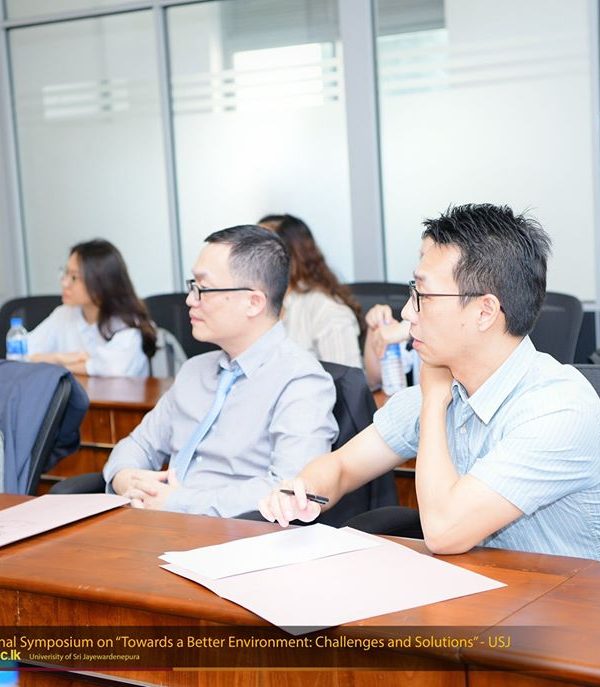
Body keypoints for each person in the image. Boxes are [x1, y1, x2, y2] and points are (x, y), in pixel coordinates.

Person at [260, 203, 600, 560]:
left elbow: (443, 532)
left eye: (423, 296)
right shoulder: (447, 384)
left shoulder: (559, 410)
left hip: (565, 592)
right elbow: (342, 466)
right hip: (481, 582)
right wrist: (304, 489)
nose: (407, 312)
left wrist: (435, 402)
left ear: (485, 311)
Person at [103, 225, 338, 517]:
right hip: (158, 523)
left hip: (237, 536)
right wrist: (126, 478)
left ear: (253, 302)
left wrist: (178, 502)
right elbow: (138, 444)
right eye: (192, 286)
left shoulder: (301, 381)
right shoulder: (193, 371)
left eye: (203, 289)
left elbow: (289, 491)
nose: (190, 300)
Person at [27, 239, 156, 377]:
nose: (64, 283)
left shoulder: (128, 324)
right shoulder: (64, 314)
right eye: (65, 273)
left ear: (102, 282)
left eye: (74, 277)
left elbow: (112, 369)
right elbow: (20, 354)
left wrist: (52, 364)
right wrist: (59, 358)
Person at [259, 214, 362, 368]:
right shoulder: (258, 305)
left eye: (259, 251)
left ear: (290, 257)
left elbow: (346, 380)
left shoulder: (327, 310)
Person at [363, 304, 420, 389]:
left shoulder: (409, 327)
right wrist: (375, 327)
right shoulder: (410, 324)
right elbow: (375, 381)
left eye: (426, 298)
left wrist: (410, 329)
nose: (404, 312)